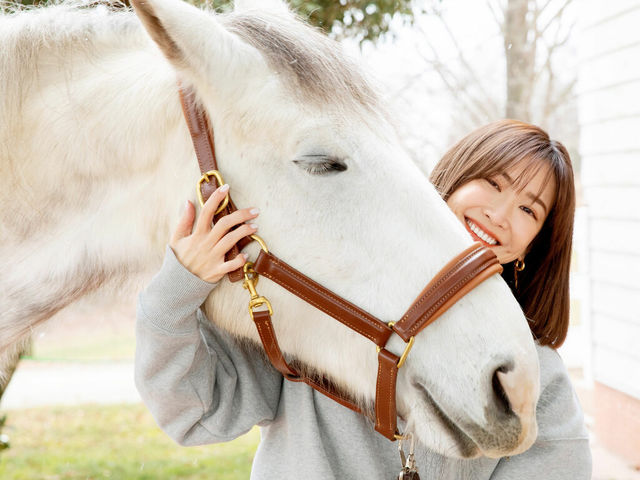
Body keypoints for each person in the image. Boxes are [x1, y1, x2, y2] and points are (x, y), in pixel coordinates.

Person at [135, 119, 591, 479]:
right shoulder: (323, 297)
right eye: (493, 182)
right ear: (453, 179)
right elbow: (195, 410)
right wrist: (179, 288)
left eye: (529, 210)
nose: (500, 213)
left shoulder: (527, 376)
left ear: (533, 247)